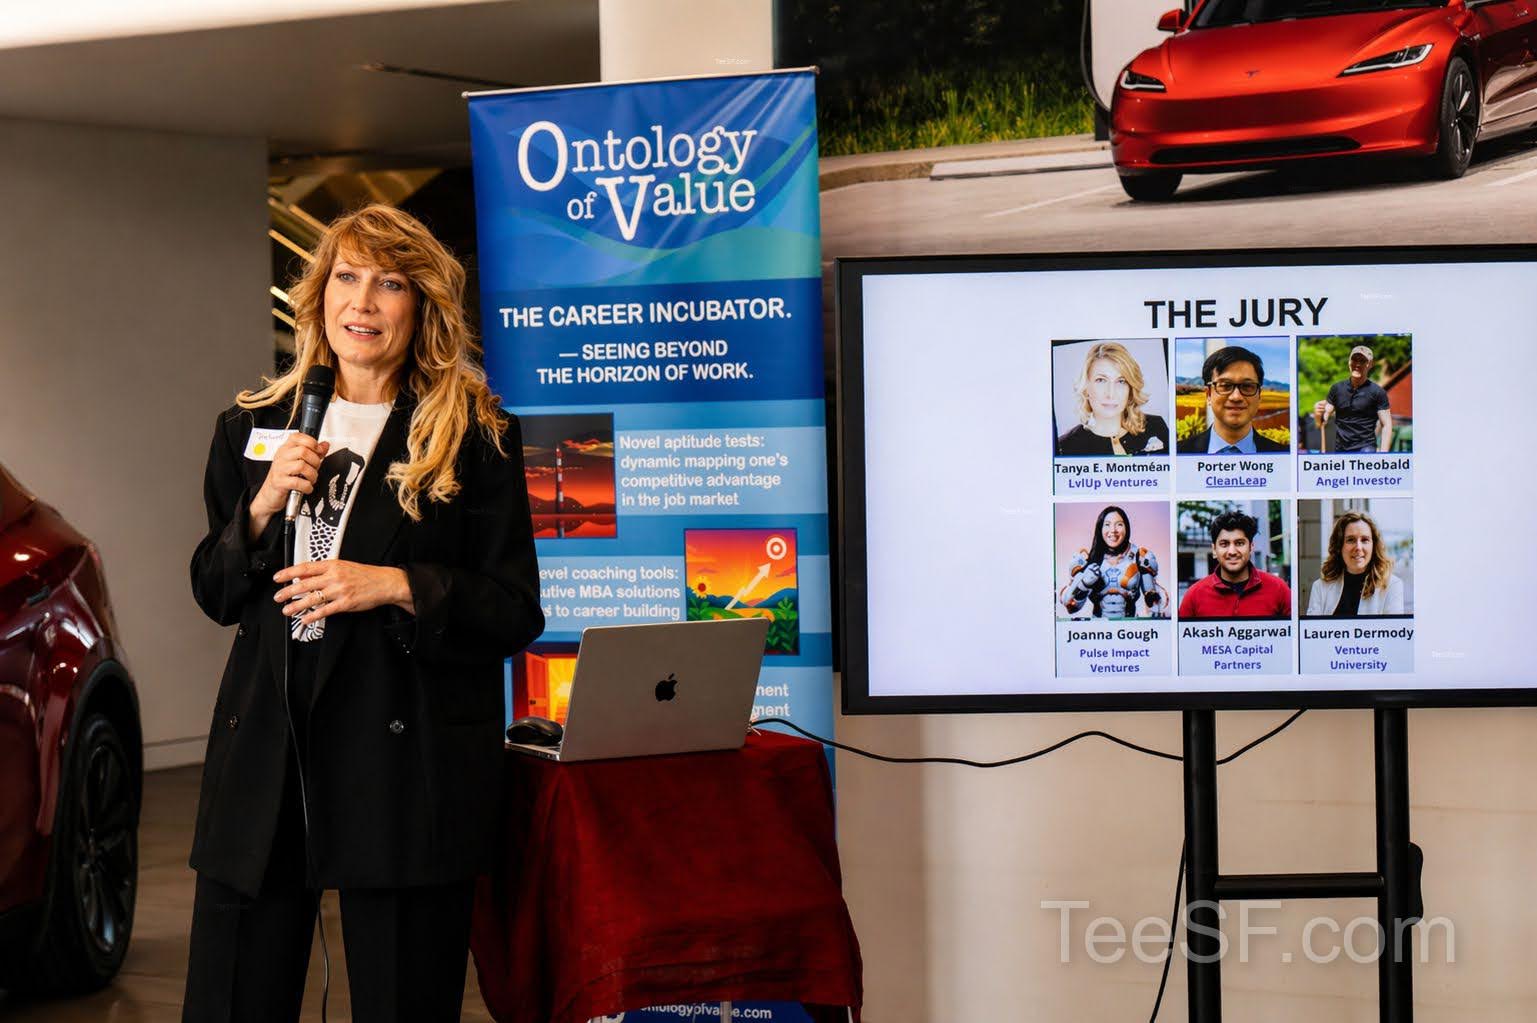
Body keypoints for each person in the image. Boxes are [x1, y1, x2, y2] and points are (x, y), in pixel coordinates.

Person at [184, 204, 544, 1022]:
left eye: (389, 284)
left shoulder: (473, 436)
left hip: (403, 759)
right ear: (317, 296)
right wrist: (261, 509)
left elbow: (513, 608)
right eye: (346, 277)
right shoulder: (251, 426)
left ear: (421, 307)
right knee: (231, 999)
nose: (363, 302)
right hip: (268, 759)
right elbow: (215, 589)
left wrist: (390, 584)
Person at [1055, 341, 1170, 456]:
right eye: (1101, 380)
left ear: (1130, 389)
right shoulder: (1065, 447)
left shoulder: (1156, 426)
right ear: (1086, 388)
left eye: (1121, 381)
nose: (1111, 393)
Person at [1177, 510, 1292, 619]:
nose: (1232, 551)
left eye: (1239, 543)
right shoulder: (1194, 595)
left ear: (1251, 547)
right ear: (1214, 550)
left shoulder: (1279, 589)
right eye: (1224, 544)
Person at [1059, 505, 1168, 619]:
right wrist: (1084, 584)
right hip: (1097, 632)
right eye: (1107, 525)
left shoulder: (1140, 558)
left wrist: (1152, 600)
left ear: (1126, 528)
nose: (1113, 530)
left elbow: (1157, 605)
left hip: (1132, 631)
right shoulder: (1086, 559)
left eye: (1119, 524)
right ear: (1100, 528)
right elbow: (1071, 607)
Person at [1177, 345, 1289, 454]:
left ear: (1259, 395)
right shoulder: (1176, 454)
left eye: (1247, 386)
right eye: (1225, 386)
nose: (1236, 397)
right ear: (1209, 395)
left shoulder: (1285, 456)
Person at [1306, 510, 1405, 616]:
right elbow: (1313, 632)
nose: (1358, 547)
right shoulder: (1320, 588)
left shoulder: (1392, 586)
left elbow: (1391, 631)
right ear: (1339, 546)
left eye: (1365, 540)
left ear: (1374, 545)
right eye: (1351, 540)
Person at [1312, 344, 1392, 453]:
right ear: (1349, 362)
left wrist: (1384, 455)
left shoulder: (1377, 392)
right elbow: (1322, 422)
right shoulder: (1337, 389)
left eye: (1362, 361)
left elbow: (1387, 424)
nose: (1357, 364)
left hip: (1366, 449)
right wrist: (1318, 414)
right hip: (1341, 449)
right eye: (1354, 359)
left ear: (1370, 364)